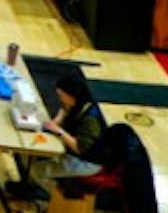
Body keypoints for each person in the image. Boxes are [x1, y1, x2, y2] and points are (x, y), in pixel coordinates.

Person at [11, 72, 108, 202]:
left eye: (62, 96)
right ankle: (29, 186)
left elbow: (81, 148)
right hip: (74, 152)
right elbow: (60, 118)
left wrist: (59, 131)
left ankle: (56, 200)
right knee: (30, 154)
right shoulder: (75, 105)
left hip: (88, 162)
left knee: (37, 170)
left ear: (73, 96)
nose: (60, 99)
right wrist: (53, 123)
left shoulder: (91, 120)